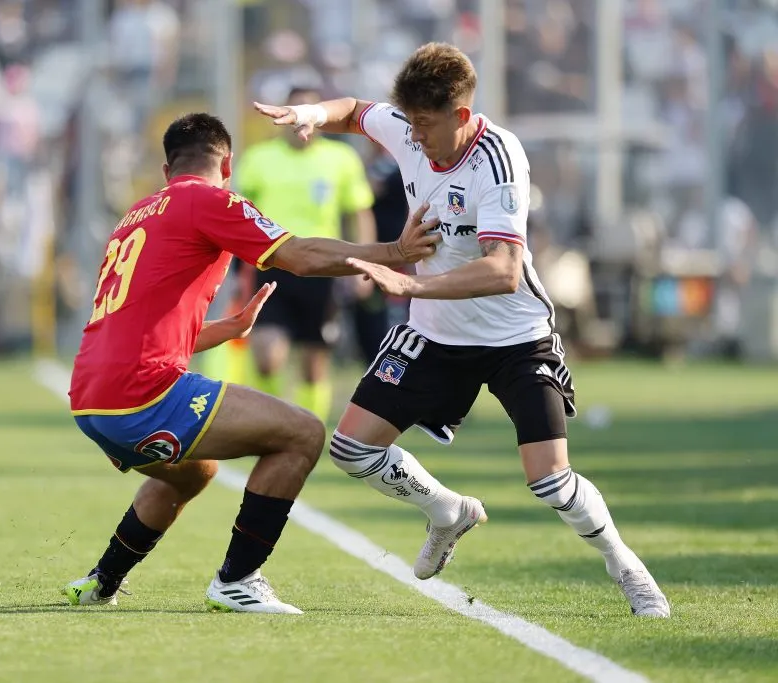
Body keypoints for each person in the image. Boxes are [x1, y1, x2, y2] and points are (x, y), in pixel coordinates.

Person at [255, 42, 670, 617]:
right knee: (351, 449)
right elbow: (353, 110)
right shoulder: (407, 125)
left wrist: (411, 285)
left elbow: (502, 271)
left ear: (461, 114)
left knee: (549, 480)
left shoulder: (499, 160)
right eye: (410, 124)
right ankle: (446, 510)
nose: (415, 137)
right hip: (435, 334)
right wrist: (311, 115)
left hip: (515, 338)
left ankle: (624, 563)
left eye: (426, 125)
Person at [63, 113, 440, 614]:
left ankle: (101, 581)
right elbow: (301, 256)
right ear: (228, 163)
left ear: (165, 168)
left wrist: (228, 330)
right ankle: (237, 580)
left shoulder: (136, 214)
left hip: (91, 398)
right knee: (303, 433)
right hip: (142, 393)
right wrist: (393, 251)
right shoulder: (208, 199)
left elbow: (134, 327)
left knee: (193, 472)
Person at [235, 84, 376, 421]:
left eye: (308, 114)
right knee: (267, 356)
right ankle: (267, 422)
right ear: (282, 117)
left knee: (314, 365)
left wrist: (364, 267)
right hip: (272, 268)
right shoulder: (258, 159)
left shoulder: (341, 159)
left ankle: (307, 429)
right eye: (293, 114)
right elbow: (236, 212)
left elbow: (359, 213)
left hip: (321, 271)